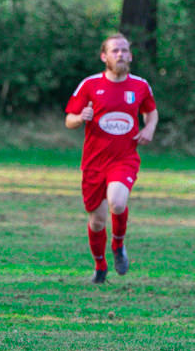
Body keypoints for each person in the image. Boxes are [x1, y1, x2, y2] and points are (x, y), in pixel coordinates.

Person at [65, 33, 158, 284]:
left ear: (131, 55)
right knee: (96, 221)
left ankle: (118, 246)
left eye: (125, 50)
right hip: (94, 162)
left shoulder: (140, 86)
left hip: (124, 158)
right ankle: (100, 265)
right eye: (115, 50)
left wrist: (149, 129)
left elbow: (151, 111)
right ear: (104, 56)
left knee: (117, 203)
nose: (121, 55)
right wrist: (79, 117)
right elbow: (69, 119)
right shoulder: (90, 85)